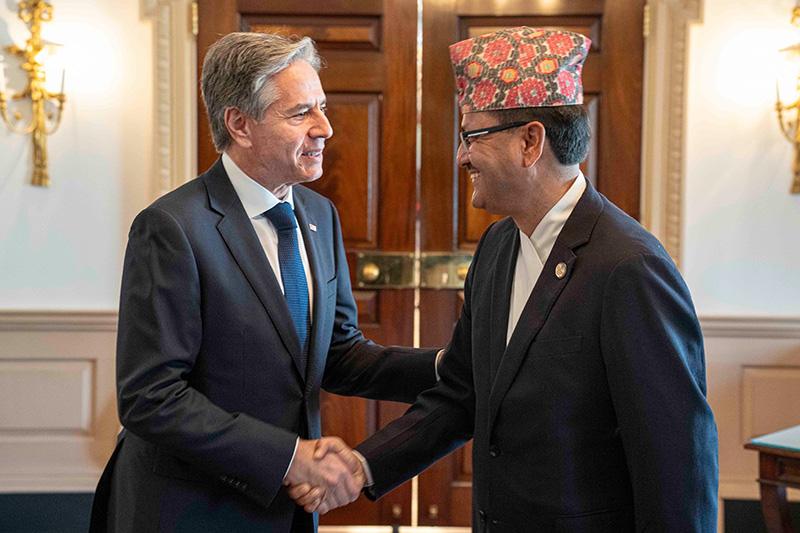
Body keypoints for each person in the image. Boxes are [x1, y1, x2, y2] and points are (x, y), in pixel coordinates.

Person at [291, 27, 719, 532]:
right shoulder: (497, 246)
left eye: (472, 136)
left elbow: (678, 464)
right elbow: (461, 393)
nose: (461, 156)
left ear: (530, 141)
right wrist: (363, 467)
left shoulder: (630, 268)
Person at [89, 32, 440, 533]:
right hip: (189, 510)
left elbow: (338, 353)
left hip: (286, 512)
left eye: (322, 108)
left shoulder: (319, 214)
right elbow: (151, 396)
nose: (325, 128)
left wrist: (447, 367)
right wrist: (289, 458)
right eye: (301, 113)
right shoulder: (172, 228)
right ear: (240, 124)